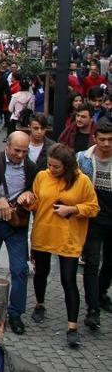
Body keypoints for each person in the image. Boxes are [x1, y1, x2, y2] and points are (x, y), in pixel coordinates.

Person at [25, 143, 98, 347]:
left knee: (68, 280)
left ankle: (72, 326)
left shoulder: (82, 181)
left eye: (56, 166)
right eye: (49, 165)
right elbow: (37, 201)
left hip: (68, 238)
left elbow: (93, 207)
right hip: (44, 233)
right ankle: (40, 304)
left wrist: (72, 209)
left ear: (67, 166)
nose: (51, 169)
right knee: (41, 273)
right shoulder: (42, 176)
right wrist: (28, 201)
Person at [0, 131, 37, 335]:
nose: (20, 155)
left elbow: (35, 188)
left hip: (16, 225)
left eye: (24, 151)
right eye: (16, 150)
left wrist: (29, 194)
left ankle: (15, 313)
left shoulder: (30, 167)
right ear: (7, 147)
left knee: (20, 269)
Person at [77, 120, 112, 321]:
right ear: (95, 138)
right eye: (102, 139)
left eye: (110, 140)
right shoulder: (83, 159)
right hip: (92, 219)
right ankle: (93, 309)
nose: (106, 144)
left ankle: (101, 293)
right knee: (91, 263)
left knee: (109, 263)